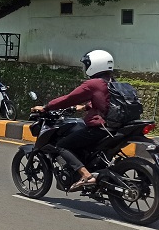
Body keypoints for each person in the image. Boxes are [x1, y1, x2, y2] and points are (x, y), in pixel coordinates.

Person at [31, 49, 113, 192]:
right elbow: (106, 102)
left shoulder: (93, 84)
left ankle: (86, 176)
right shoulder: (112, 82)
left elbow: (68, 99)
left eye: (87, 64)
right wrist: (85, 107)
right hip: (114, 126)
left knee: (63, 145)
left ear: (95, 65)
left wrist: (46, 107)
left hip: (100, 127)